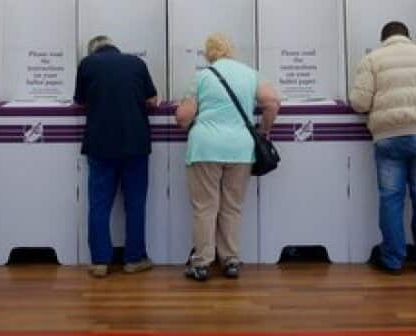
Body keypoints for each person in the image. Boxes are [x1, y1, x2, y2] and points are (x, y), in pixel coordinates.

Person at [174, 33, 279, 281]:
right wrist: (264, 129)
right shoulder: (250, 73)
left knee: (205, 208)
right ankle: (230, 260)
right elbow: (272, 102)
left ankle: (201, 263)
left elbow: (182, 116)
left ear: (208, 53)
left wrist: (190, 125)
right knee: (232, 206)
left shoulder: (202, 76)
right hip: (241, 149)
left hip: (205, 148)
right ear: (232, 50)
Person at [348, 21, 416, 274]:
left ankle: (392, 260)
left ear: (384, 39)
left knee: (391, 199)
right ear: (408, 36)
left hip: (388, 135)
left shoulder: (372, 59)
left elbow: (359, 102)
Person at [74, 35, 159, 278]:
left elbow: (79, 101)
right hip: (135, 143)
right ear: (115, 47)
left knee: (99, 204)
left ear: (93, 51)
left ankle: (100, 261)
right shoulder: (136, 63)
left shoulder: (87, 65)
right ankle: (134, 259)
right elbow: (151, 99)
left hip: (100, 144)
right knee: (135, 203)